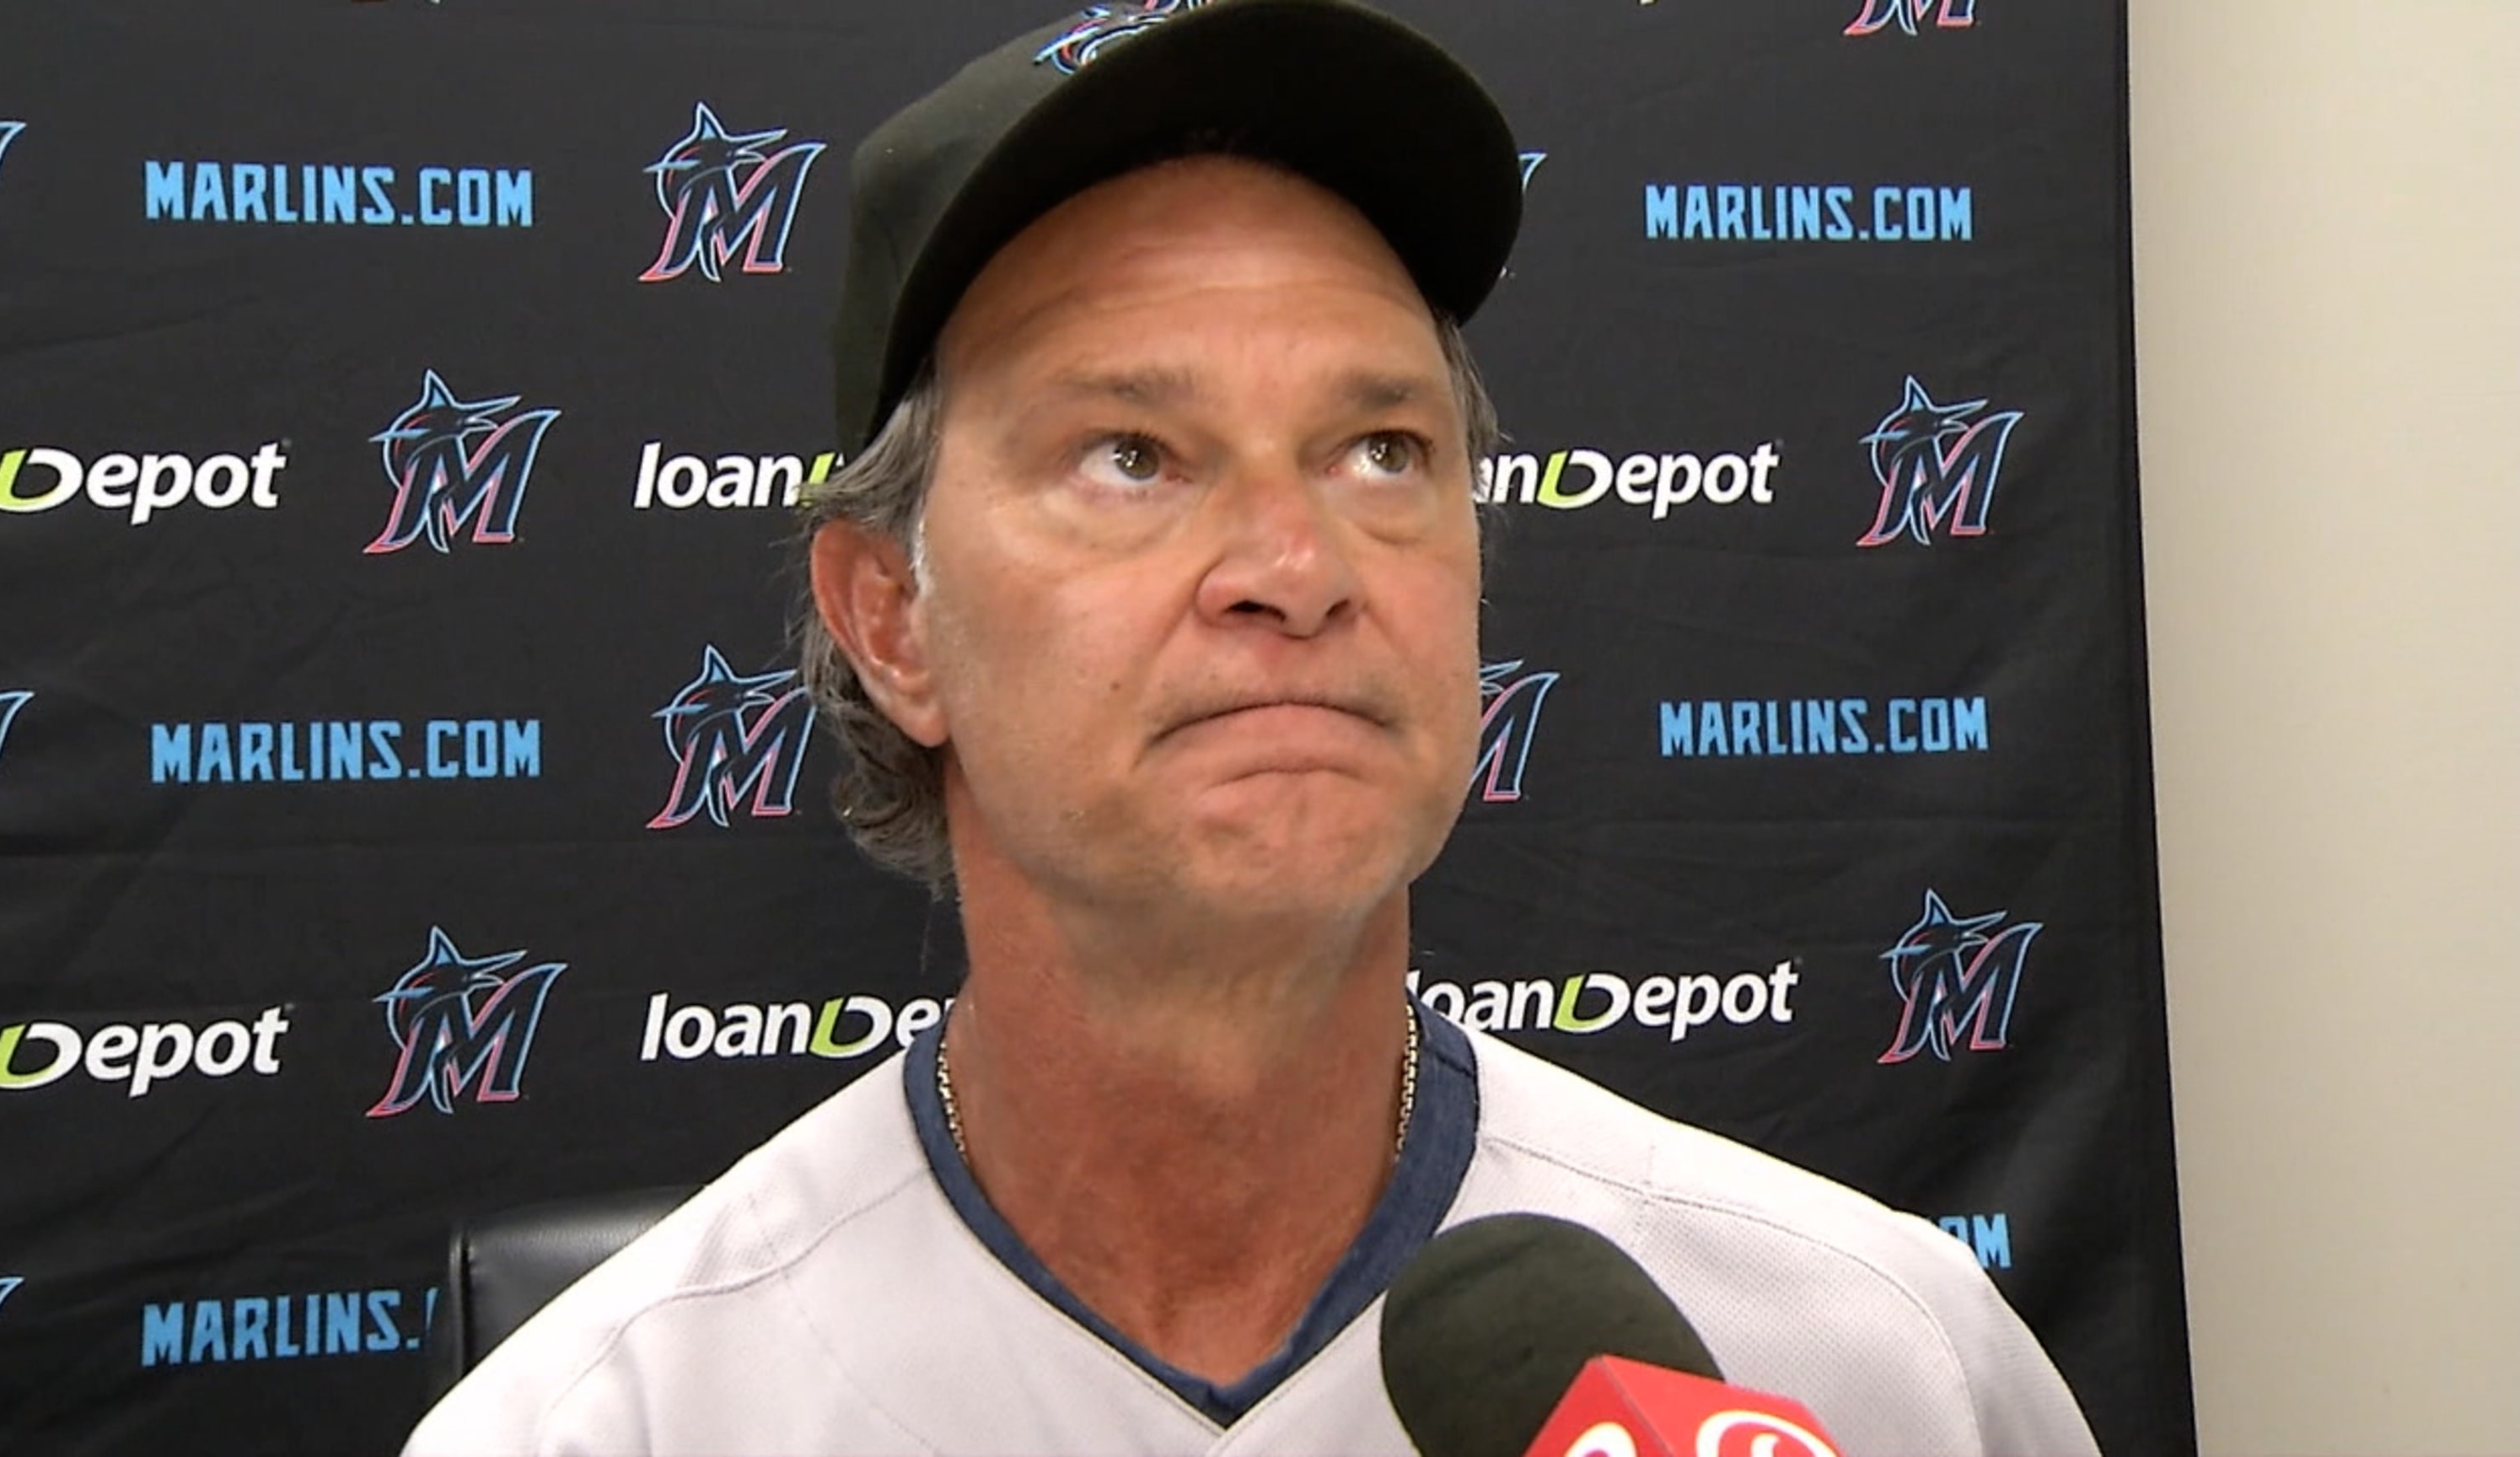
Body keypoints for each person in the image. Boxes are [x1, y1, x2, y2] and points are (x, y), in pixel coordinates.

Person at [405, 3, 2101, 1452]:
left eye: (1381, 452)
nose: (1297, 571)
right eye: (1131, 455)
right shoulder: (608, 1423)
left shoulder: (1873, 1370)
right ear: (892, 622)